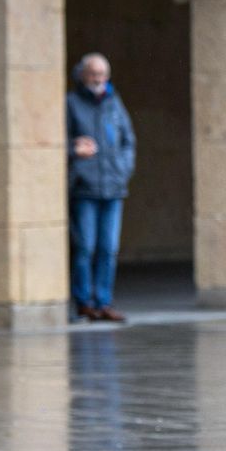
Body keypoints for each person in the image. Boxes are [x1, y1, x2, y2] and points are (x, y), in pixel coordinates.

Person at [66, 52, 135, 321]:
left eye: (102, 75)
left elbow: (128, 140)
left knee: (109, 248)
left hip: (113, 187)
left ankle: (103, 301)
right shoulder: (71, 104)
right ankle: (84, 302)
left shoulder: (114, 103)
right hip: (85, 188)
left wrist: (123, 169)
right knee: (86, 247)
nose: (98, 79)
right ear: (82, 75)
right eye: (93, 74)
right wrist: (73, 150)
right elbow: (54, 141)